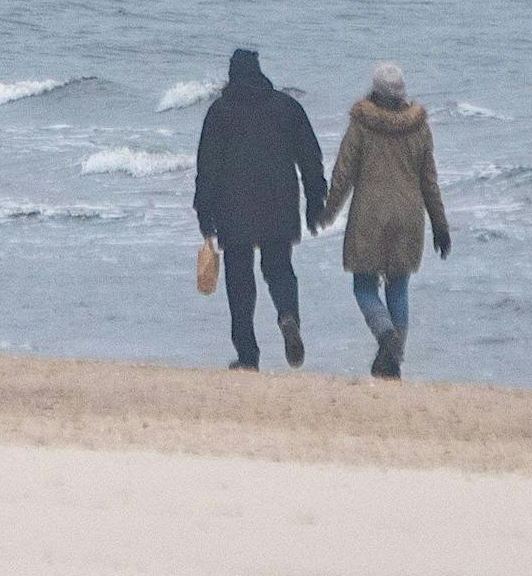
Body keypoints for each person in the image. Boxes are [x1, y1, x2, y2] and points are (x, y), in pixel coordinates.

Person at [193, 48, 326, 372]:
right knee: (279, 268)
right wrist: (315, 202)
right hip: (280, 201)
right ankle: (288, 315)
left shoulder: (220, 112)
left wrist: (204, 213)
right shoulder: (286, 107)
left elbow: (207, 167)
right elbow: (311, 158)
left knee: (239, 278)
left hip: (233, 205)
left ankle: (248, 355)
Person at [319, 62, 450, 381]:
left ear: (374, 90)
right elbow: (429, 182)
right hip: (409, 216)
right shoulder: (418, 126)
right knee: (398, 287)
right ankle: (393, 363)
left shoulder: (362, 123)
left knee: (364, 286)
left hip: (370, 215)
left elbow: (343, 173)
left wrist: (327, 212)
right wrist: (440, 225)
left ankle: (385, 335)